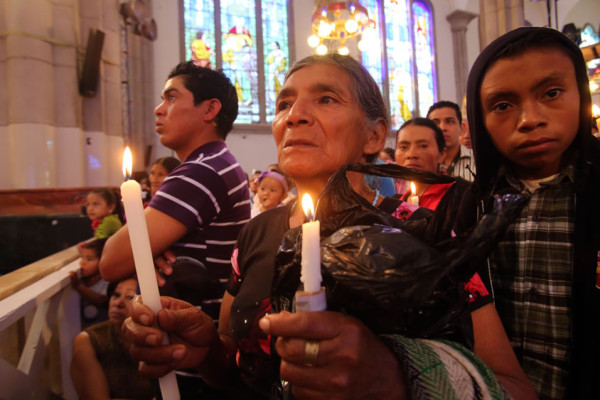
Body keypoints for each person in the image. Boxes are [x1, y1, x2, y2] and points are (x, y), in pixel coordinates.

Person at [121, 54, 535, 400]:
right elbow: (235, 365)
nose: (295, 116)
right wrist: (206, 350)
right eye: (284, 105)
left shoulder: (426, 235)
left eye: (326, 99)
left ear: (374, 135)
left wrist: (396, 377)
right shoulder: (257, 233)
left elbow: (514, 388)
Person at [455, 26, 600, 400]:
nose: (529, 119)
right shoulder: (475, 205)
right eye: (503, 105)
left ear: (581, 95)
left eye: (551, 93)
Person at [71, 276, 155, 400]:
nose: (118, 303)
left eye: (130, 297)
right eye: (116, 295)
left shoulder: (156, 338)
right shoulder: (89, 340)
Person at [395, 117, 470, 211]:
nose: (411, 154)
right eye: (403, 147)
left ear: (442, 154)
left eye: (423, 146)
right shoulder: (400, 202)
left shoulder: (459, 195)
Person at [427, 100, 476, 181]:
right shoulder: (422, 163)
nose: (442, 128)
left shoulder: (478, 161)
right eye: (435, 123)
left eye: (449, 121)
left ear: (461, 127)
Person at [70, 238, 109, 328]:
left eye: (89, 259)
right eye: (82, 257)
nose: (82, 263)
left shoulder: (107, 281)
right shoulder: (83, 279)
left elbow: (101, 300)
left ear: (104, 259)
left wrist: (78, 287)